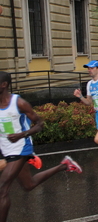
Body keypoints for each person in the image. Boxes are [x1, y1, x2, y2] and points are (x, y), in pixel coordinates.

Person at [0, 71, 82, 222]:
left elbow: (40, 125)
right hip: (6, 150)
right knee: (28, 185)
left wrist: (21, 135)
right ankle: (64, 165)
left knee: (2, 188)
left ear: (3, 85)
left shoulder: (19, 103)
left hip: (21, 148)